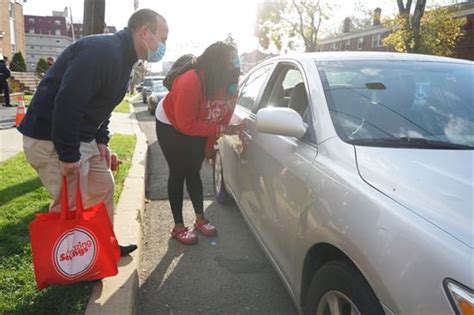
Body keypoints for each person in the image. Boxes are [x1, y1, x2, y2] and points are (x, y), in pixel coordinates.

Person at [18, 9, 169, 257]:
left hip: (80, 135)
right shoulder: (102, 51)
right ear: (144, 32)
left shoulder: (125, 58)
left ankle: (103, 246)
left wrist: (101, 140)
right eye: (163, 38)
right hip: (51, 136)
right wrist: (67, 155)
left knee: (102, 187)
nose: (164, 45)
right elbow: (68, 102)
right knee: (70, 202)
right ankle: (71, 262)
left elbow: (103, 104)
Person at [155, 41, 244, 245]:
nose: (235, 69)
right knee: (178, 171)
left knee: (193, 171)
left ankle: (200, 219)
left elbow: (220, 119)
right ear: (216, 66)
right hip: (171, 122)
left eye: (236, 64)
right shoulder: (190, 81)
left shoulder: (231, 85)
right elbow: (186, 124)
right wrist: (219, 130)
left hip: (198, 122)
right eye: (230, 64)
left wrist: (210, 147)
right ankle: (178, 227)